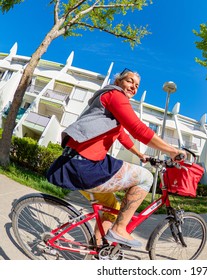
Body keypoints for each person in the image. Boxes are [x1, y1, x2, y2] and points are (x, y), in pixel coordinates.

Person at [46, 68, 186, 248]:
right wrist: (172, 150)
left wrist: (140, 155)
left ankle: (98, 247)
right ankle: (120, 229)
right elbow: (138, 129)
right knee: (146, 178)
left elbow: (122, 135)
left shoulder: (107, 108)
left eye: (136, 86)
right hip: (86, 166)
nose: (133, 87)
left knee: (112, 209)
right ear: (118, 81)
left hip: (74, 162)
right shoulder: (114, 95)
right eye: (129, 81)